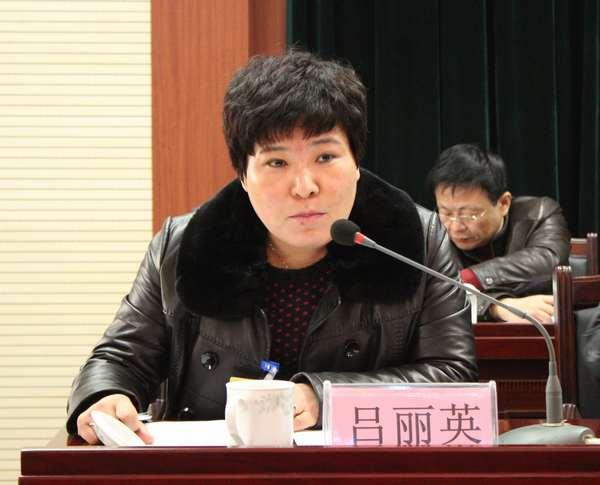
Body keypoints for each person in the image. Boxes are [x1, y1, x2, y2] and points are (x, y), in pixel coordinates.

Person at [67, 50, 478, 444]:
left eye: (325, 157)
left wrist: (324, 397)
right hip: (217, 474)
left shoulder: (416, 241)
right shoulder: (181, 245)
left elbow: (454, 376)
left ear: (356, 162)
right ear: (244, 176)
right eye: (277, 163)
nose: (305, 187)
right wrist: (104, 396)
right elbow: (119, 359)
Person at [426, 143, 570, 323]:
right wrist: (496, 306)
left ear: (503, 203)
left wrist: (471, 277)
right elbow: (433, 297)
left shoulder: (539, 214)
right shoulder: (432, 229)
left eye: (470, 214)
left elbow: (550, 260)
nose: (456, 227)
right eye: (446, 213)